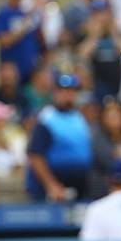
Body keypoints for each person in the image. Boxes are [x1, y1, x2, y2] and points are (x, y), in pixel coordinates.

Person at [26, 73, 92, 201]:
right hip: (51, 187)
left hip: (78, 185)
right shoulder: (47, 118)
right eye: (62, 91)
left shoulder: (78, 117)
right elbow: (35, 155)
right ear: (55, 92)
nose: (67, 95)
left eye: (70, 91)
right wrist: (51, 185)